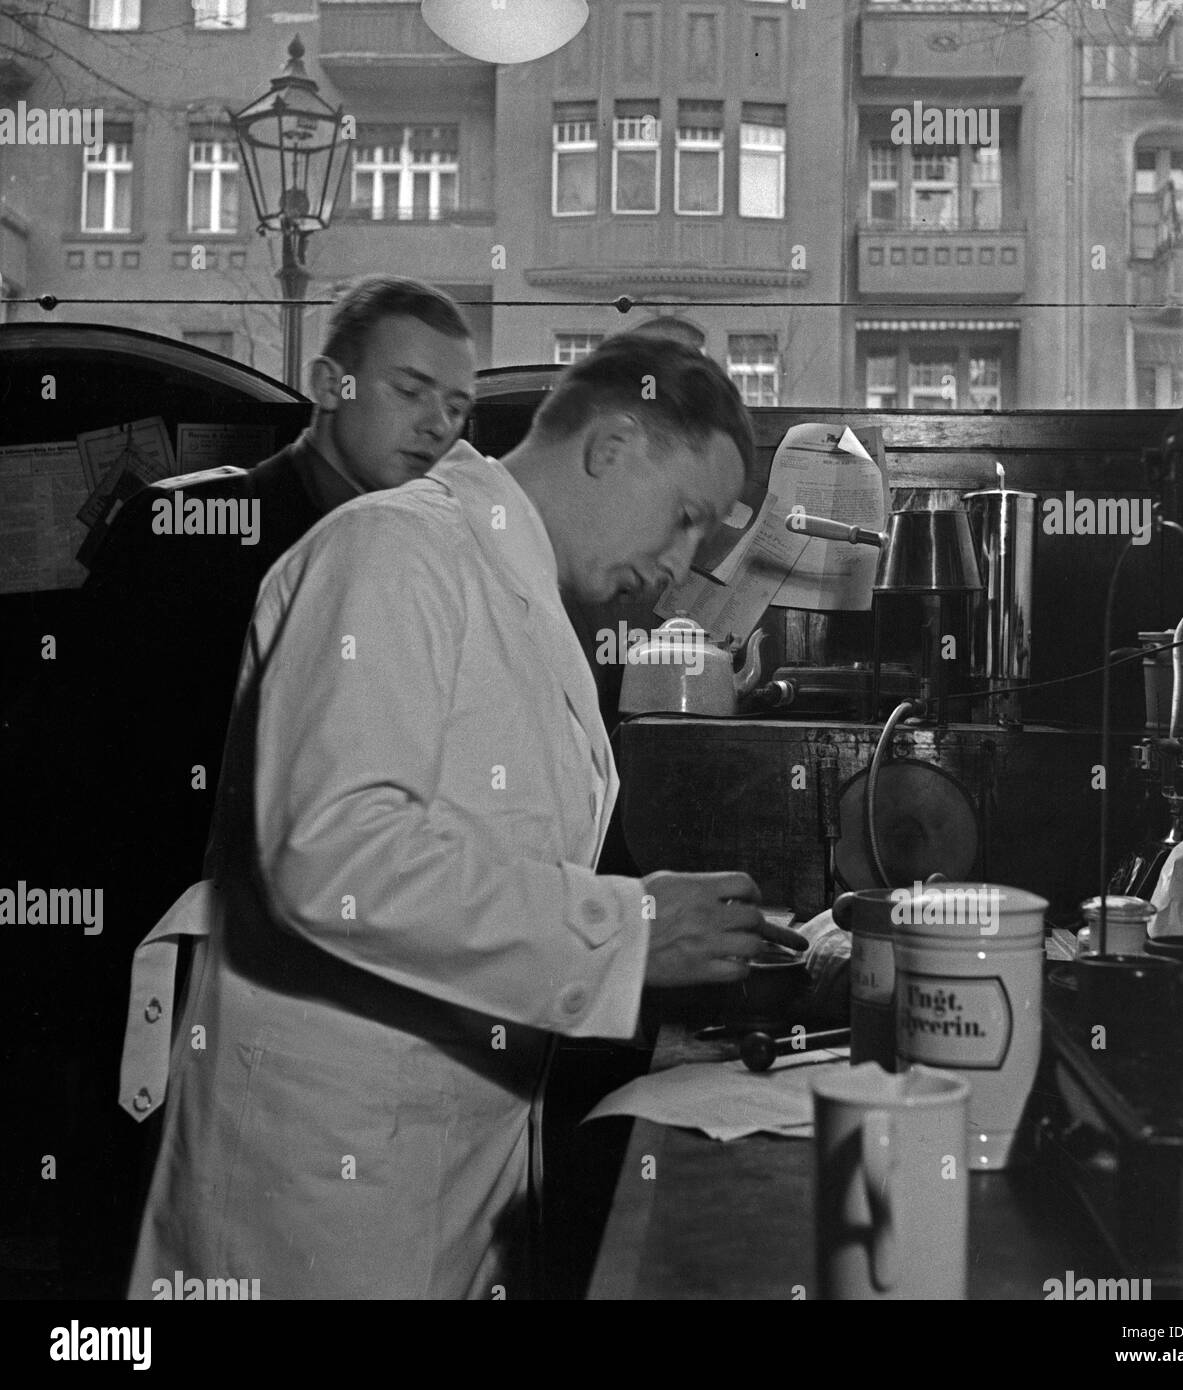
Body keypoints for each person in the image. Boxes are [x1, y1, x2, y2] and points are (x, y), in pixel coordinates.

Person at [119, 335, 805, 1299]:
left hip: (443, 1160)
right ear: (610, 446)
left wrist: (646, 927)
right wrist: (628, 932)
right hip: (328, 1182)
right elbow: (335, 861)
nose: (684, 563)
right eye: (686, 519)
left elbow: (482, 862)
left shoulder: (515, 589)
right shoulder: (395, 551)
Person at [61, 276, 476, 1296]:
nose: (435, 424)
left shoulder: (435, 558)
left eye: (457, 408)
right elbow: (86, 772)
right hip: (179, 955)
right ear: (328, 383)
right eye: (411, 389)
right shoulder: (184, 532)